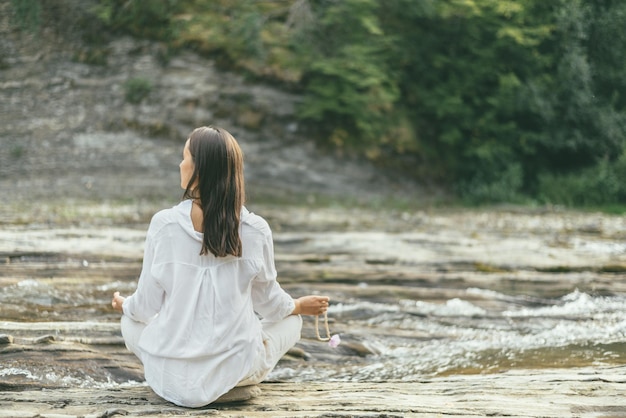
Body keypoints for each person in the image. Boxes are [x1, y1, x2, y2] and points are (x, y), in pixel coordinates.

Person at [111, 126, 330, 408]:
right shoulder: (255, 229)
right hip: (239, 370)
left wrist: (123, 305)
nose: (180, 164)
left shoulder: (163, 225)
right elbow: (271, 305)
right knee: (292, 320)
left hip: (172, 378)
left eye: (184, 156)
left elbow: (144, 307)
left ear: (198, 169)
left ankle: (199, 375)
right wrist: (299, 306)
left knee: (130, 321)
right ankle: (231, 387)